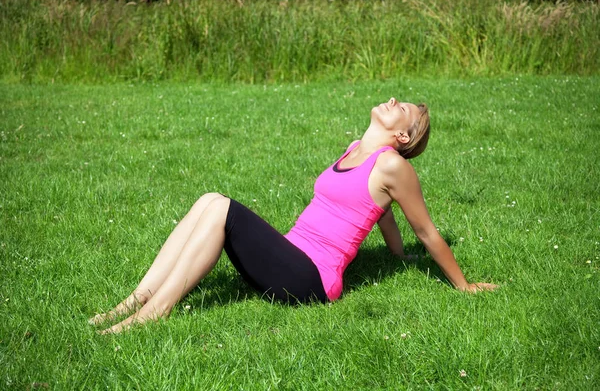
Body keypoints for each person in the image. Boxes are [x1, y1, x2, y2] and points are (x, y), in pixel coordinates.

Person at [90, 97, 498, 334]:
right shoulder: (356, 149)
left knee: (221, 208)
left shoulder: (394, 166)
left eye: (401, 108)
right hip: (290, 254)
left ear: (403, 136)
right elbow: (383, 215)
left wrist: (463, 286)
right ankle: (134, 301)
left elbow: (424, 230)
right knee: (209, 198)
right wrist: (398, 256)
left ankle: (151, 315)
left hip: (311, 279)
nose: (392, 100)